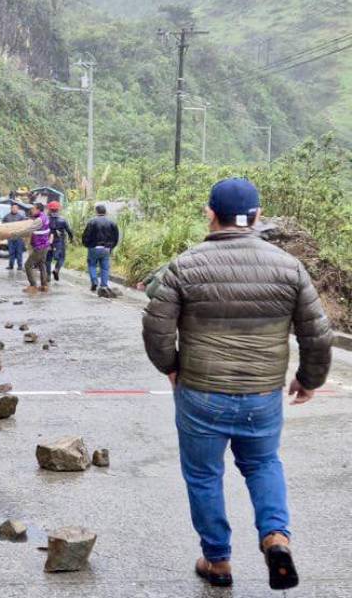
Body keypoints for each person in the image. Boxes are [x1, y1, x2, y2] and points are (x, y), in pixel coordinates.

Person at [141, 178, 332, 591]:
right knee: (263, 464)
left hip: (200, 393)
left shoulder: (185, 265)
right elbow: (317, 333)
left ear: (210, 214)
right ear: (258, 217)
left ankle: (218, 562)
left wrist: (171, 366)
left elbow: (156, 326)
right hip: (262, 393)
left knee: (204, 476)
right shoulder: (288, 266)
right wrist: (309, 378)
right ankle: (276, 536)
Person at [81, 203, 120, 293]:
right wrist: (111, 246)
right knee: (105, 267)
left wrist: (87, 244)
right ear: (105, 211)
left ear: (96, 211)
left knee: (92, 265)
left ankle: (94, 281)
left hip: (94, 247)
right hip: (106, 248)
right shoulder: (112, 222)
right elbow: (116, 237)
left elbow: (86, 235)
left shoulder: (92, 222)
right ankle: (104, 285)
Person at [22, 202, 51, 293]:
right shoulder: (45, 217)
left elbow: (29, 230)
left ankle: (33, 286)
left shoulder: (39, 220)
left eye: (33, 208)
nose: (31, 210)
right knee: (41, 264)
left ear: (38, 209)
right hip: (45, 245)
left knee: (28, 265)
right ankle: (44, 285)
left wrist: (15, 234)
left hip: (39, 247)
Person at [43, 201, 74, 281]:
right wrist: (71, 238)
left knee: (48, 259)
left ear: (49, 209)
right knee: (62, 258)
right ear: (58, 209)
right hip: (59, 242)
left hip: (48, 241)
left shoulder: (45, 219)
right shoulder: (63, 220)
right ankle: (56, 269)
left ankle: (48, 275)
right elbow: (69, 231)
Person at [2, 202, 27, 270]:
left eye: (16, 208)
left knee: (19, 252)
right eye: (13, 208)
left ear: (18, 209)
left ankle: (19, 265)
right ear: (11, 208)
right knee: (11, 252)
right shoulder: (7, 217)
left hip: (19, 238)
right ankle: (11, 265)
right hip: (10, 237)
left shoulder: (21, 217)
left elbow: (24, 227)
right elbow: (3, 225)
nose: (14, 209)